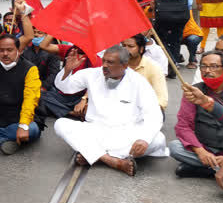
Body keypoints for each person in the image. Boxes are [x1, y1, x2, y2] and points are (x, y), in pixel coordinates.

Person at [53, 45, 167, 176]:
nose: (105, 66)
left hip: (127, 134)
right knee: (60, 124)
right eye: (104, 61)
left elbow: (153, 114)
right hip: (96, 131)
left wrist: (144, 140)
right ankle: (111, 161)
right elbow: (66, 88)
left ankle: (92, 154)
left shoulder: (139, 82)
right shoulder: (92, 74)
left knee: (158, 139)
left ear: (124, 65)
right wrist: (67, 70)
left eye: (110, 62)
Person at [170, 51, 223, 178]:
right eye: (203, 66)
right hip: (206, 148)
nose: (207, 70)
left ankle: (209, 169)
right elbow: (183, 126)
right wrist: (200, 151)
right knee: (175, 147)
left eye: (214, 66)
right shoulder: (193, 91)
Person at [151, 0, 192, 78]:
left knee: (158, 36)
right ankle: (172, 68)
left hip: (173, 10)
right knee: (175, 40)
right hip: (181, 10)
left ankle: (171, 62)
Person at [36, 40, 96, 120]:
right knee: (38, 95)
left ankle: (59, 110)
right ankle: (70, 113)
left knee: (94, 107)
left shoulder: (95, 58)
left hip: (80, 97)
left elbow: (94, 83)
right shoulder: (69, 50)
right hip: (61, 95)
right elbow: (44, 45)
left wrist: (84, 99)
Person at [121, 34, 168, 111]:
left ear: (141, 49)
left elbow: (162, 100)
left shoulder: (154, 67)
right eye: (123, 46)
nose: (125, 49)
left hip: (145, 109)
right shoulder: (116, 65)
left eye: (131, 46)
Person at [22, 27, 61, 92]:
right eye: (34, 33)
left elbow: (54, 73)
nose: (36, 35)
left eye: (39, 33)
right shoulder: (25, 50)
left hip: (45, 87)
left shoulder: (52, 52)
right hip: (27, 85)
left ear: (46, 36)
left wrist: (44, 87)